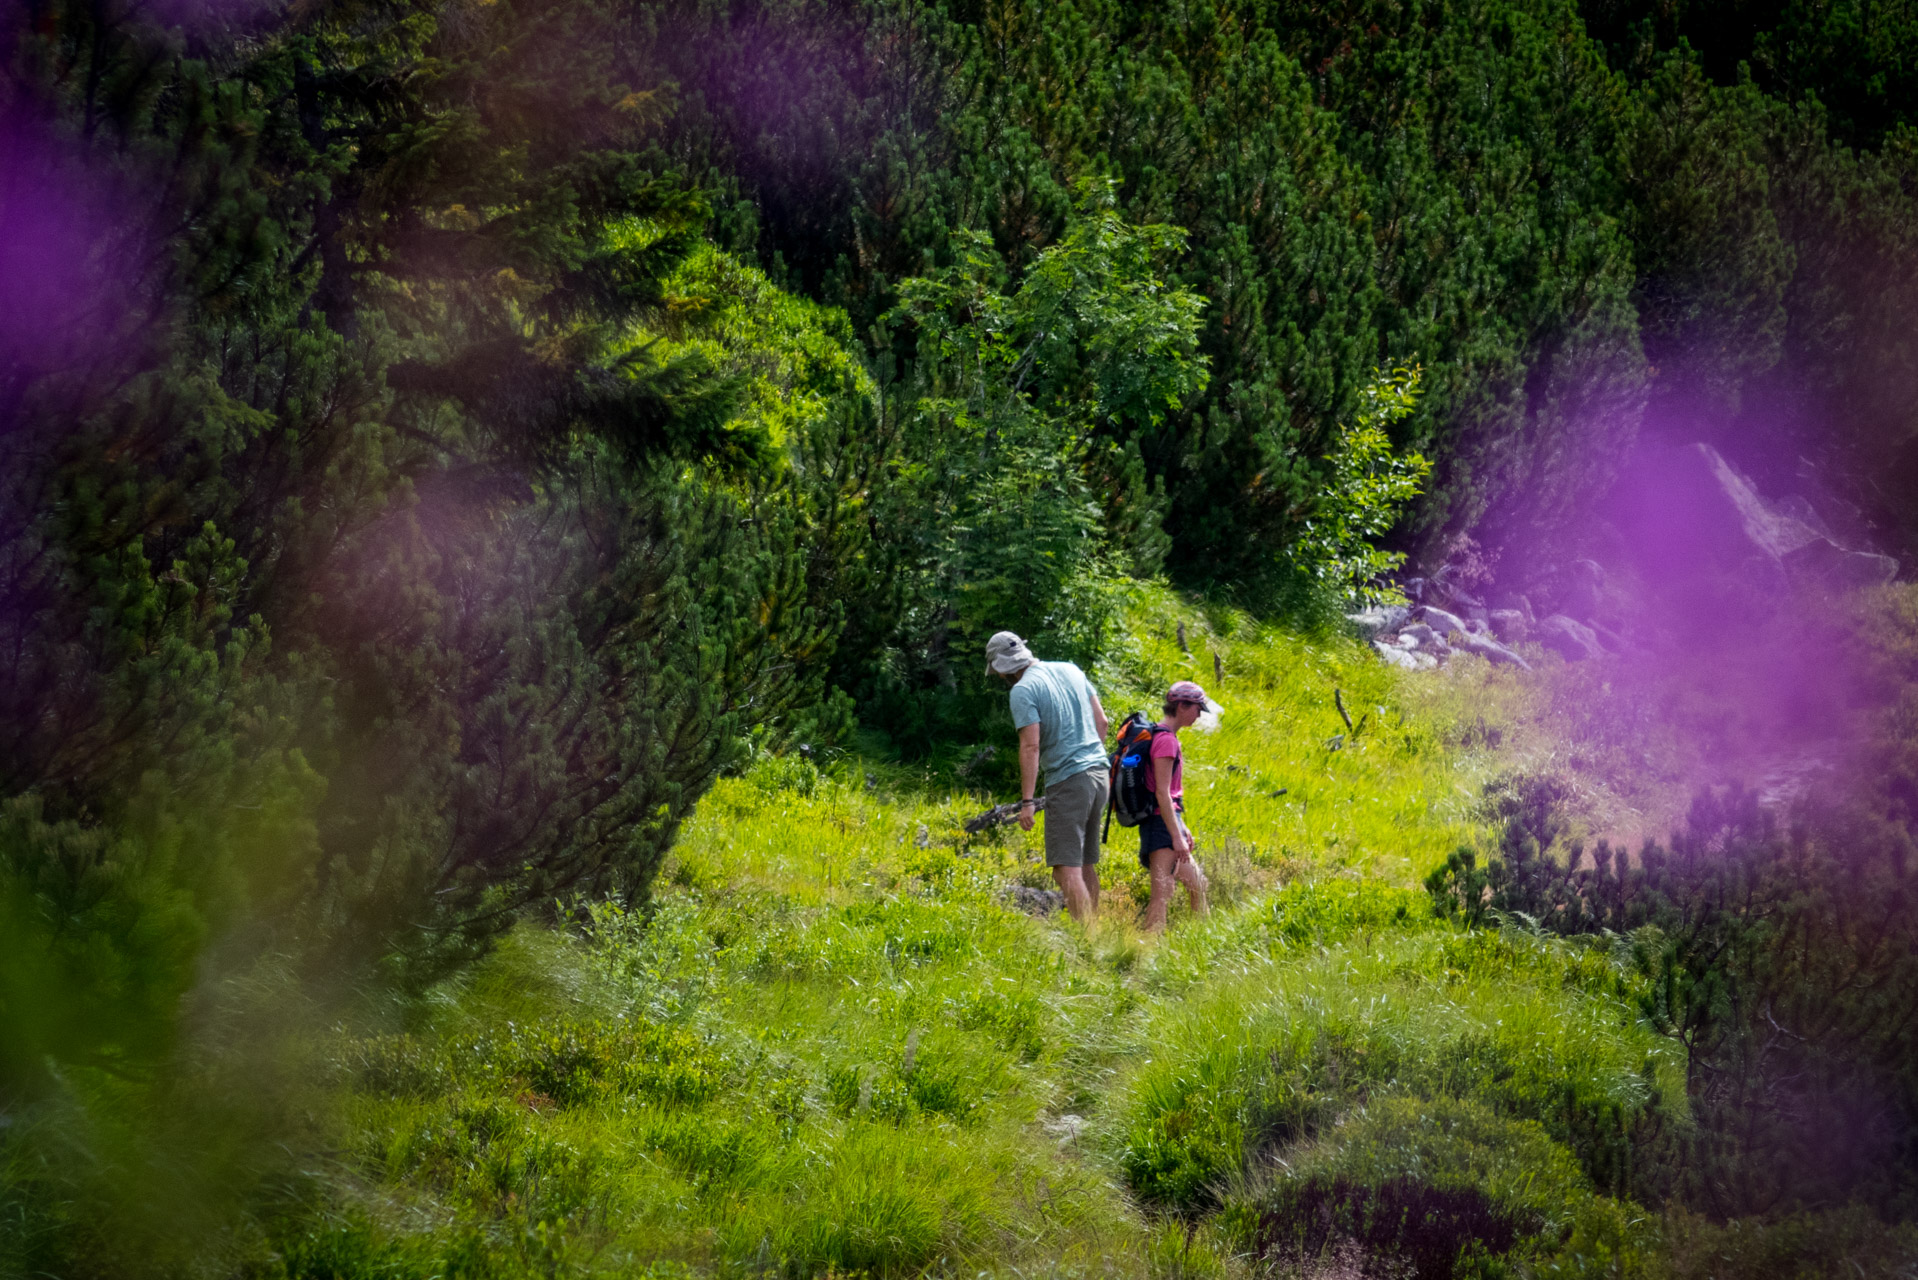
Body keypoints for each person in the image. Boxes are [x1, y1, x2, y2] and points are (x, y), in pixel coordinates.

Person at [985, 631, 1110, 922]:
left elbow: (1031, 745)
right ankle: (1099, 935)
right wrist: (1090, 756)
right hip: (1100, 773)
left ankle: (1089, 941)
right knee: (1085, 863)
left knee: (1065, 868)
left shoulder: (1023, 690)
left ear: (1003, 668)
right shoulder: (1071, 669)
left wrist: (1028, 801)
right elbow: (1101, 722)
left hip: (1069, 780)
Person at [1140, 680, 1214, 932]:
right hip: (1161, 827)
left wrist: (1181, 829)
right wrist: (1176, 835)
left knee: (1198, 886)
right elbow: (1162, 793)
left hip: (1166, 824)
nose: (1199, 715)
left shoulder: (1161, 735)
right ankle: (1146, 955)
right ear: (1181, 706)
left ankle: (1200, 944)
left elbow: (1168, 794)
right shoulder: (1167, 741)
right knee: (1162, 895)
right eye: (1197, 708)